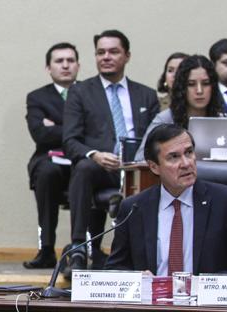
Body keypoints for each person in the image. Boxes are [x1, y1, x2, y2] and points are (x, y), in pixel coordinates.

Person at [62, 29, 159, 275]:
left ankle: (142, 252)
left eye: (113, 51)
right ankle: (78, 246)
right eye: (100, 52)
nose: (106, 57)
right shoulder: (80, 91)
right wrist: (94, 154)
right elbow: (70, 140)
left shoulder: (146, 94)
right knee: (83, 167)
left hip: (138, 167)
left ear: (126, 56)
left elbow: (158, 139)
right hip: (100, 167)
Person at [106, 124, 227, 275]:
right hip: (153, 299)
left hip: (206, 300)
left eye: (189, 152)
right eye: (174, 157)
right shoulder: (133, 208)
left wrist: (207, 286)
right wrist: (138, 280)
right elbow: (114, 269)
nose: (186, 163)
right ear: (154, 167)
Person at [23, 42, 81, 269]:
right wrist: (75, 129)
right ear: (49, 68)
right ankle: (46, 249)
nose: (65, 65)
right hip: (50, 160)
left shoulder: (90, 92)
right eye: (59, 61)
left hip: (81, 158)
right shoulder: (37, 97)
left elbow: (97, 132)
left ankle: (88, 248)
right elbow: (40, 134)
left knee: (91, 170)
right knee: (46, 172)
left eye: (70, 60)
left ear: (78, 65)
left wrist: (55, 126)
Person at [135, 55, 225, 161]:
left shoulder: (222, 120)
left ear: (213, 87)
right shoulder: (165, 119)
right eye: (191, 84)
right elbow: (140, 160)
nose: (199, 91)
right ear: (182, 88)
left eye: (205, 84)